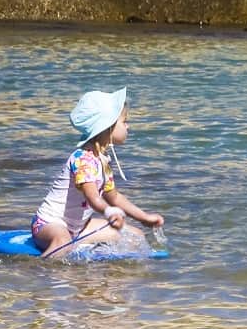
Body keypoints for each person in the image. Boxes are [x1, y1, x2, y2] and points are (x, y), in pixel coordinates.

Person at [30, 88, 164, 258]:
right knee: (63, 242)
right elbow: (93, 198)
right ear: (107, 127)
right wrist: (109, 212)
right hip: (48, 224)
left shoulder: (102, 160)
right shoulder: (83, 160)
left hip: (79, 227)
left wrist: (144, 218)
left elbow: (114, 197)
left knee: (136, 237)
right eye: (124, 121)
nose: (128, 126)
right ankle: (35, 273)